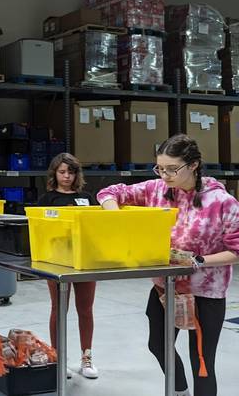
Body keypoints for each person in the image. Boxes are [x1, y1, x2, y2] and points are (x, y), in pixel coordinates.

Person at [98, 134, 239, 396]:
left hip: (205, 294)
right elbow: (109, 192)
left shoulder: (222, 202)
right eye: (160, 168)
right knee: (158, 344)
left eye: (172, 169)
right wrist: (114, 216)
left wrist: (199, 261)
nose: (165, 175)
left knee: (202, 361)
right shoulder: (156, 190)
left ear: (194, 165)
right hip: (166, 287)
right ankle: (180, 391)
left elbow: (236, 249)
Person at [36, 153, 99, 379]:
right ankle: (57, 357)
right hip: (57, 261)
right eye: (62, 172)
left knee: (85, 309)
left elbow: (97, 227)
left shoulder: (88, 197)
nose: (66, 176)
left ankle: (86, 357)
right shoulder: (46, 199)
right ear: (54, 173)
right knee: (58, 309)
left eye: (71, 172)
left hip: (85, 261)